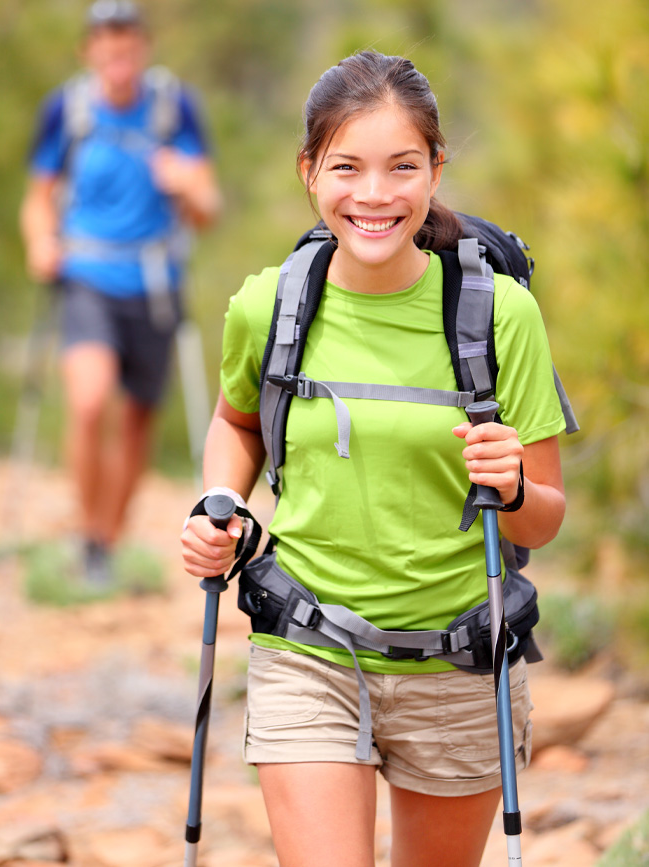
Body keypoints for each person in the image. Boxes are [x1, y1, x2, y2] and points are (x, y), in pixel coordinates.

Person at [181, 51, 566, 867]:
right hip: (306, 645)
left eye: (401, 166)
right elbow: (236, 419)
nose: (373, 194)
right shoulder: (270, 303)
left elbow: (546, 515)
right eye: (346, 166)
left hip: (459, 658)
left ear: (433, 171)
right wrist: (221, 500)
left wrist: (512, 481)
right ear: (308, 172)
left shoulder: (500, 316)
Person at [20, 0, 221, 582]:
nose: (117, 51)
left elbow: (207, 206)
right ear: (90, 51)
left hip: (154, 283)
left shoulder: (174, 107)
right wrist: (40, 241)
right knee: (88, 401)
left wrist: (187, 184)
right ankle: (88, 537)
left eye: (127, 39)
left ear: (143, 47)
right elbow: (39, 196)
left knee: (137, 418)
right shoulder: (67, 109)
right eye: (106, 40)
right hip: (86, 274)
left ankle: (107, 542)